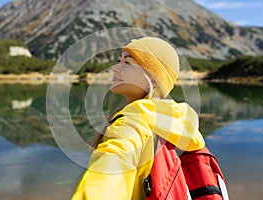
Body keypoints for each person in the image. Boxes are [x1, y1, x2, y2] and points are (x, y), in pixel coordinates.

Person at [72, 37, 205, 200]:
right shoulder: (171, 121)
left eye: (127, 63)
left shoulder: (132, 124)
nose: (114, 68)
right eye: (119, 60)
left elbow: (112, 167)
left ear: (154, 79)